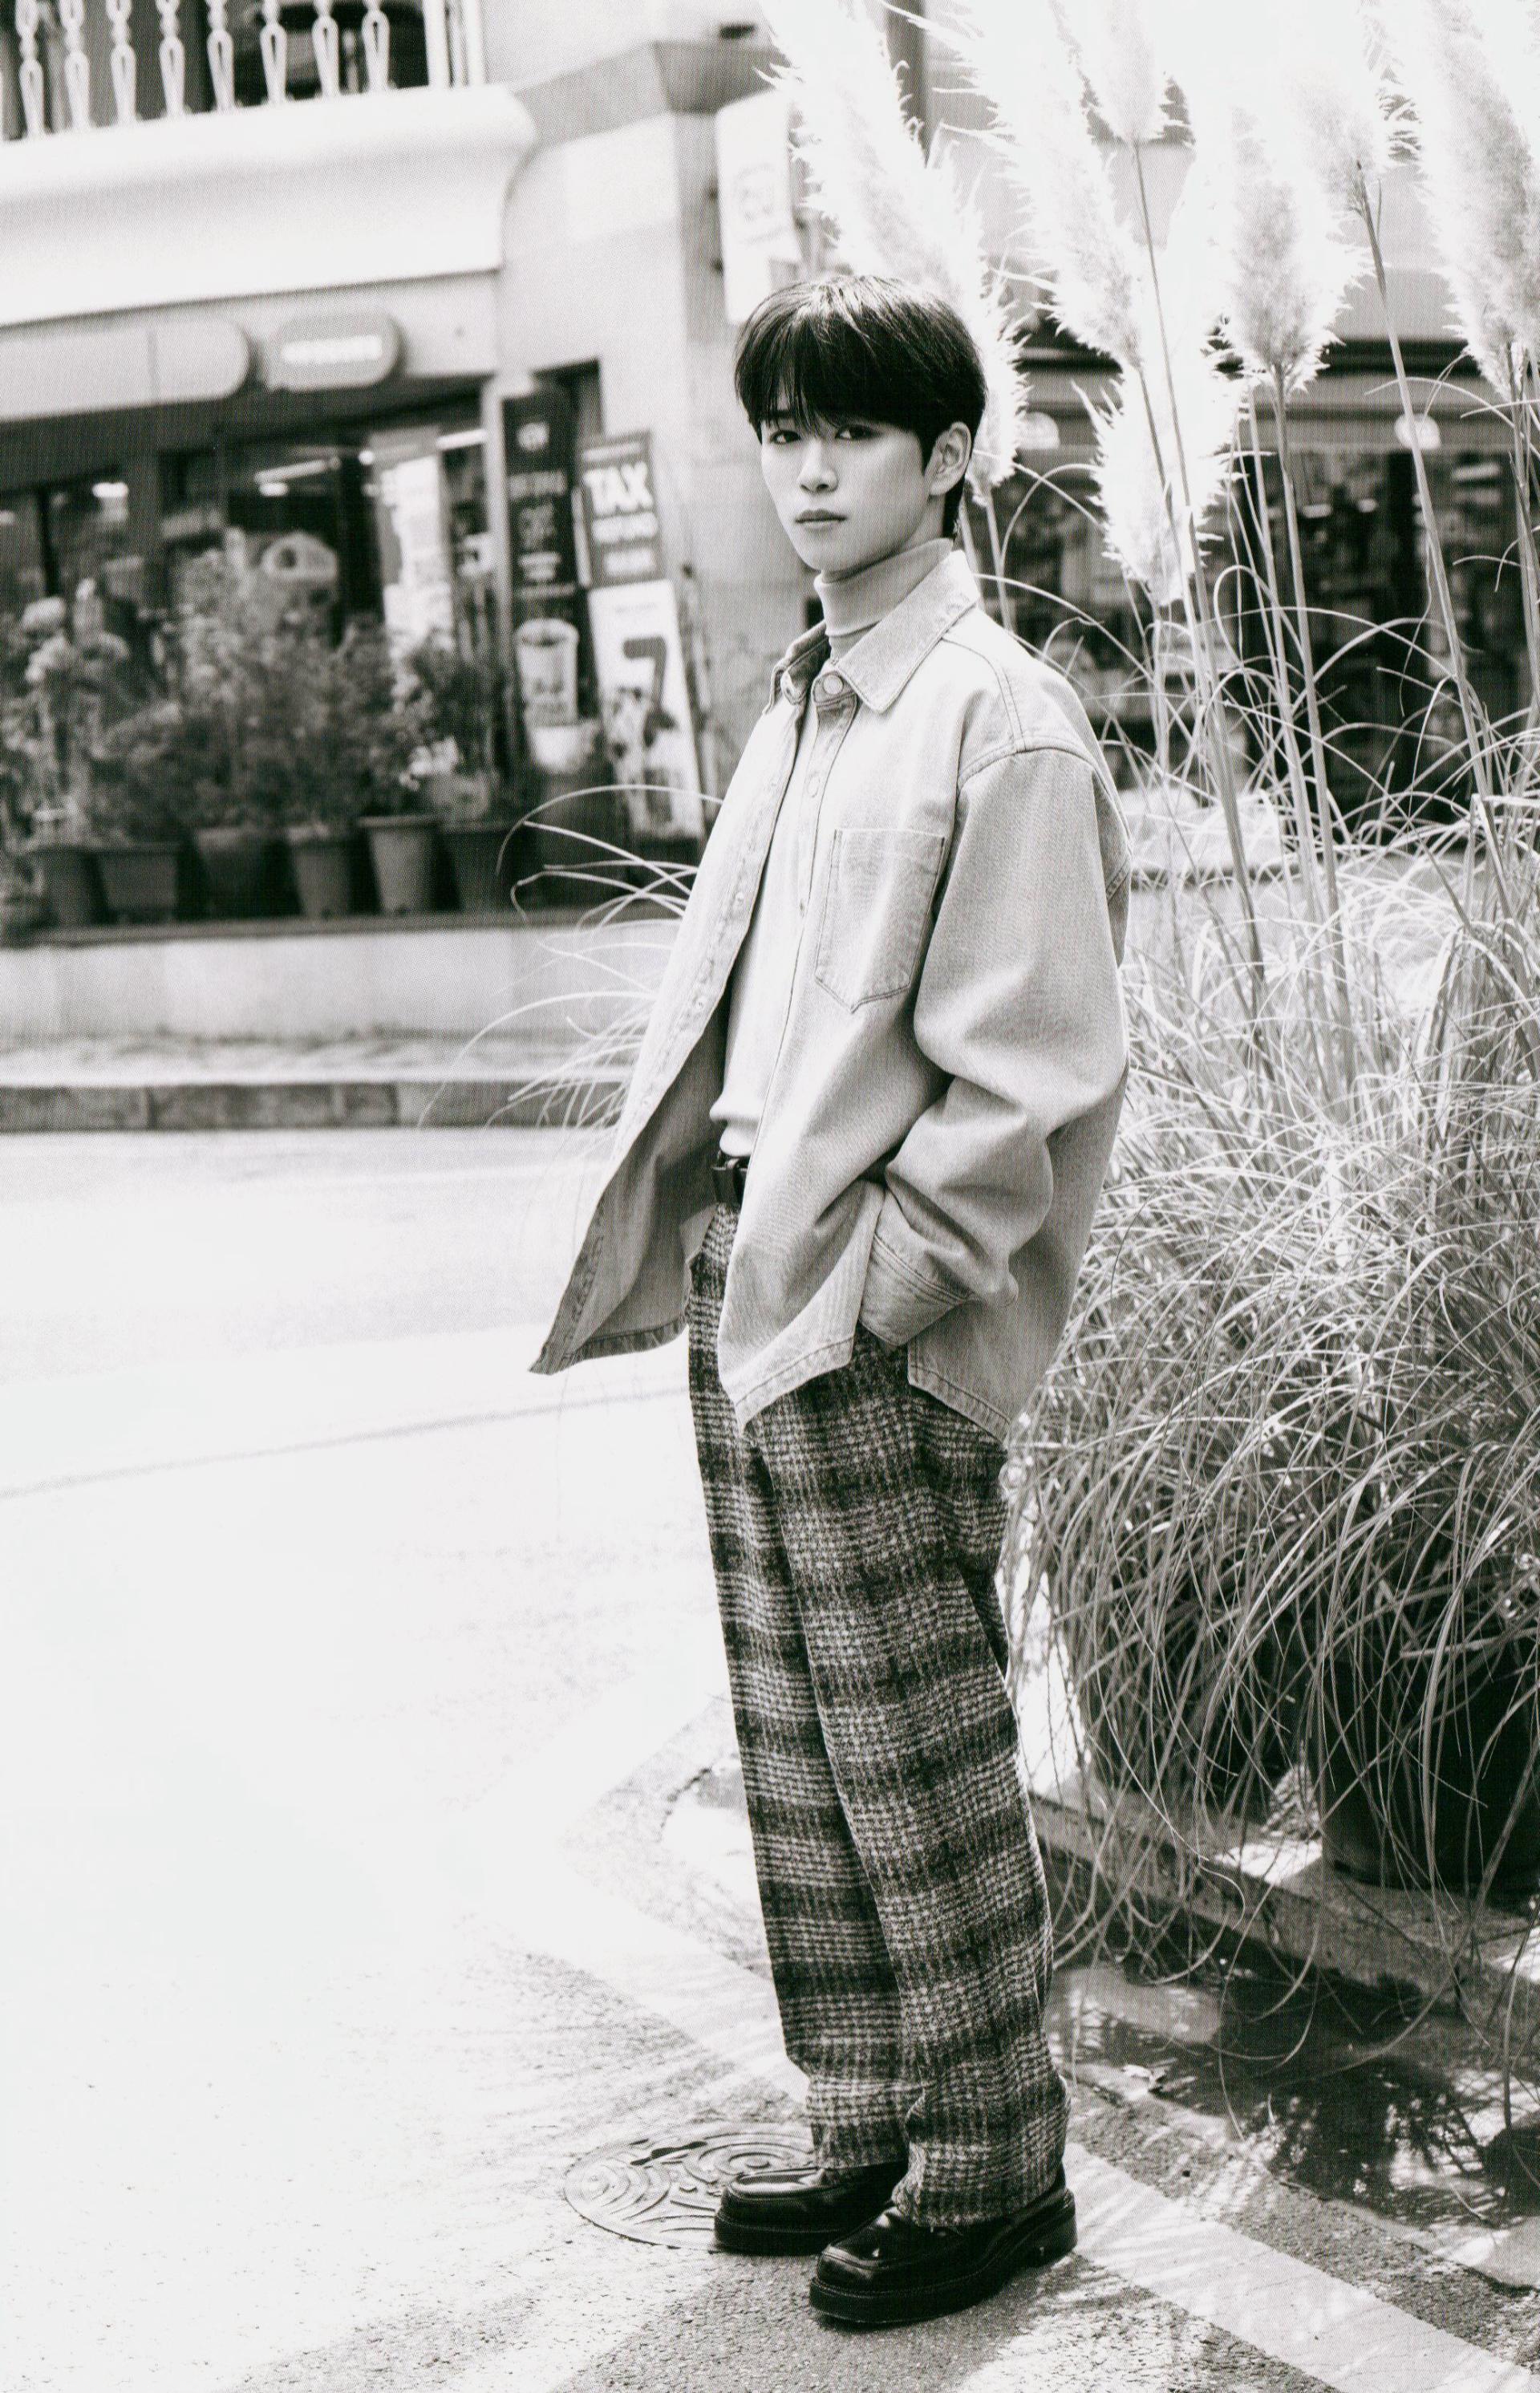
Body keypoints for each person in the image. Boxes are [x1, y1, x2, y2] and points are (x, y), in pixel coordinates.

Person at [532, 273, 1131, 2329]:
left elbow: (1031, 1075)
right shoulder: (810, 697)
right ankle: (872, 2110)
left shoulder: (996, 716)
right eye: (782, 428)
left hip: (871, 1301)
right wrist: (742, 1258)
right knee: (798, 1737)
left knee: (916, 1747)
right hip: (758, 1263)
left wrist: (879, 1294)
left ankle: (996, 2166)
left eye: (851, 432)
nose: (806, 468)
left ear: (949, 458)